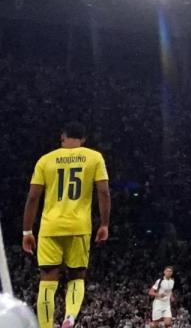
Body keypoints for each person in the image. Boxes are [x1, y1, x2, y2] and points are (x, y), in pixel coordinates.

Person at [21, 122, 111, 328]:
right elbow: (104, 192)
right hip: (79, 226)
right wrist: (104, 224)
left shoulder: (45, 160)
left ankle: (45, 326)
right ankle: (69, 318)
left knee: (47, 279)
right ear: (84, 139)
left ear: (62, 136)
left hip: (50, 227)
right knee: (77, 276)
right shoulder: (94, 157)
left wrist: (27, 231)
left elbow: (33, 197)